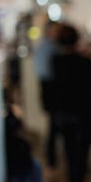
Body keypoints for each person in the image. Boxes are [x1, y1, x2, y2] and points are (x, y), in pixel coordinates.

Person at [52, 23, 91, 182]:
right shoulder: (85, 63)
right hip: (82, 116)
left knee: (70, 155)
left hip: (63, 116)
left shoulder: (56, 62)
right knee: (81, 157)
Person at [34, 21, 59, 167]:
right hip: (50, 88)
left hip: (49, 88)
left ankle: (51, 159)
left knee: (53, 126)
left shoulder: (47, 47)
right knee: (53, 126)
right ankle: (51, 159)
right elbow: (45, 73)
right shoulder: (47, 47)